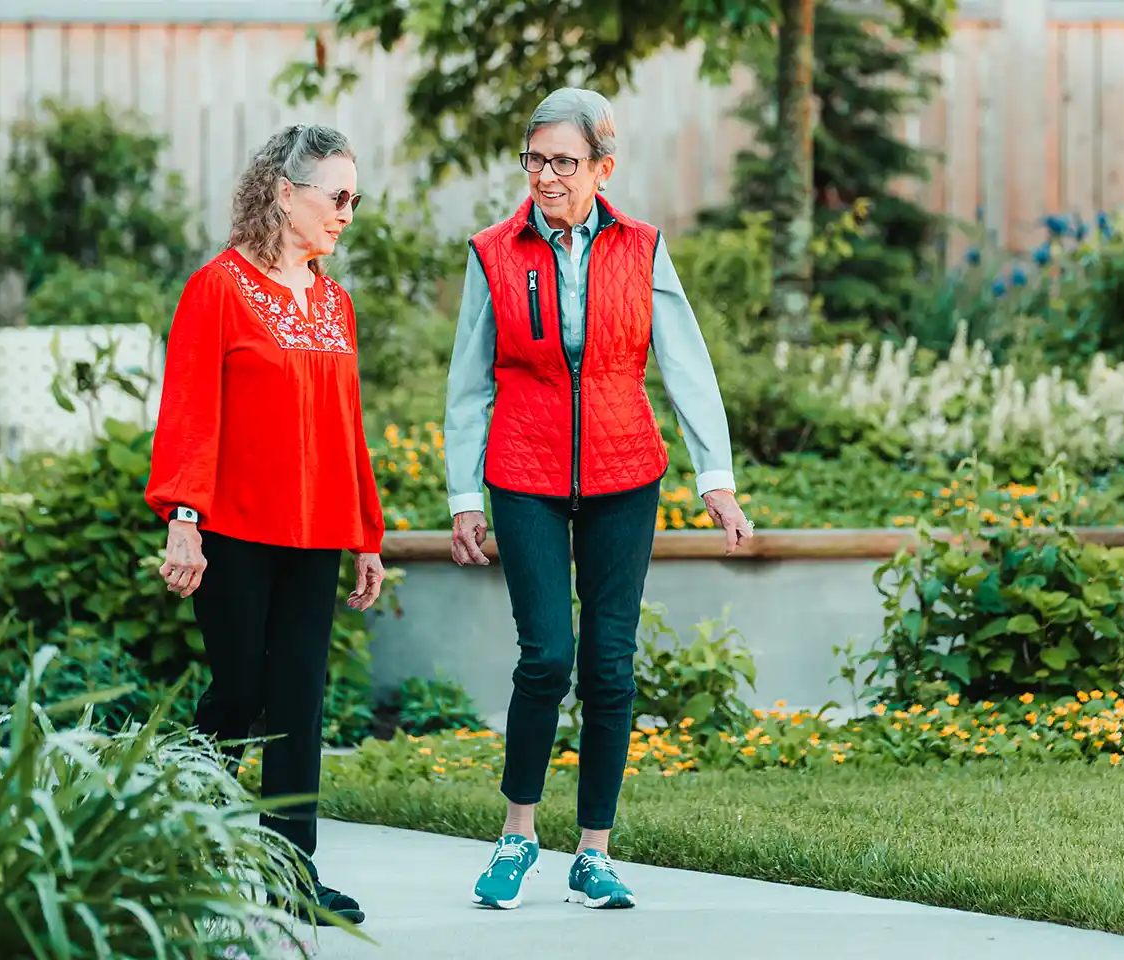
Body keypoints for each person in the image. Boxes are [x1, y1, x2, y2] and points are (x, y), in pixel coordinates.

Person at [443, 87, 754, 912]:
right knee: (546, 654)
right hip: (523, 472)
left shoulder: (643, 247)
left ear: (602, 169)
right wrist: (463, 493)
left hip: (625, 473)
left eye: (563, 162)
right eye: (534, 160)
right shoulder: (492, 251)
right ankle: (517, 835)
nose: (544, 176)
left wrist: (714, 480)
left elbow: (687, 366)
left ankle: (594, 852)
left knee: (610, 665)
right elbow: (470, 381)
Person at [145, 123, 386, 926]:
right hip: (238, 531)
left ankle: (291, 870)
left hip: (317, 532)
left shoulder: (333, 303)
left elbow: (347, 424)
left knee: (297, 700)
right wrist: (185, 519)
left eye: (356, 197)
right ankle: (186, 837)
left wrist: (365, 530)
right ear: (286, 192)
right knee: (241, 688)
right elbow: (188, 410)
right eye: (337, 196)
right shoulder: (218, 287)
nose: (348, 212)